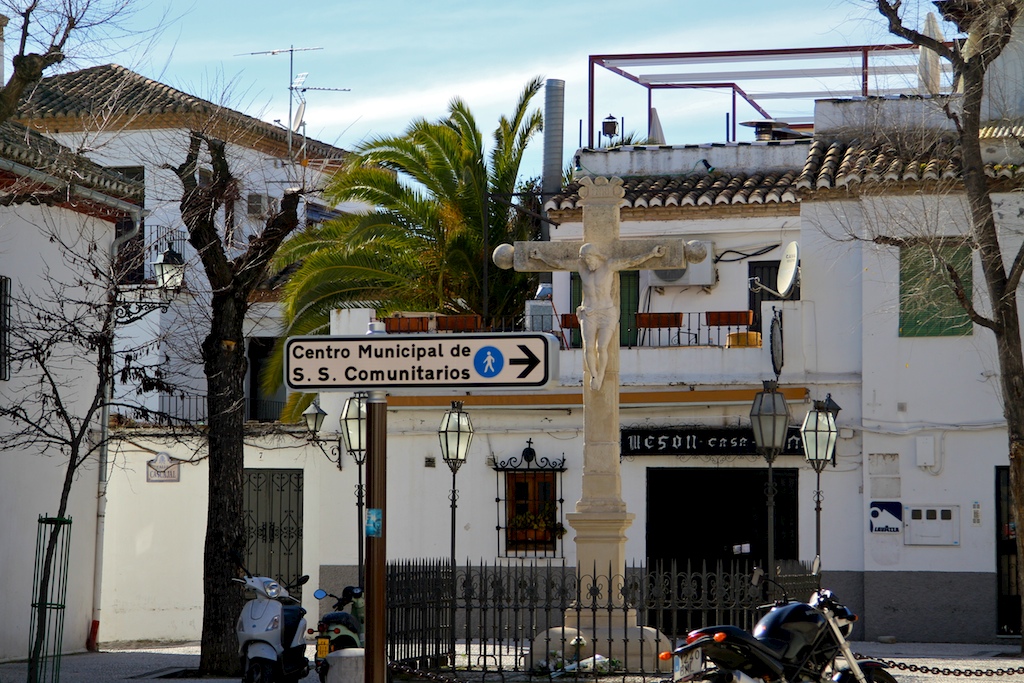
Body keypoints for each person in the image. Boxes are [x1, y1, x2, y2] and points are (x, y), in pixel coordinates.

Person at [531, 242, 664, 390]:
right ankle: (593, 376)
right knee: (588, 346)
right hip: (589, 313)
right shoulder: (581, 267)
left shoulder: (609, 266)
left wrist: (651, 254)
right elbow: (559, 264)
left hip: (606, 312)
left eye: (589, 259)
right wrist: (541, 257)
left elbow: (631, 261)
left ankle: (600, 375)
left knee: (601, 347)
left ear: (596, 256)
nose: (587, 263)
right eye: (585, 260)